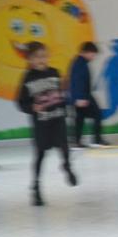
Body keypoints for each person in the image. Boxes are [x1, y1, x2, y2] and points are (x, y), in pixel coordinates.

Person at [17, 42, 77, 206]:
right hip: (42, 124)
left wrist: (66, 102)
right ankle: (36, 187)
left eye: (44, 56)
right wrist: (32, 107)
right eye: (37, 57)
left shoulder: (54, 72)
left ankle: (67, 166)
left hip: (58, 119)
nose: (41, 60)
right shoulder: (27, 77)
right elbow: (21, 102)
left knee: (64, 146)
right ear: (30, 59)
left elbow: (61, 94)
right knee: (40, 155)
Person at [68, 41, 109, 148]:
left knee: (80, 118)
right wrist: (79, 98)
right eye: (93, 54)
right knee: (96, 114)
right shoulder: (79, 64)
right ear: (86, 52)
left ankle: (77, 141)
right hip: (82, 96)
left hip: (83, 95)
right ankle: (96, 140)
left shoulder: (81, 63)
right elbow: (76, 82)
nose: (94, 57)